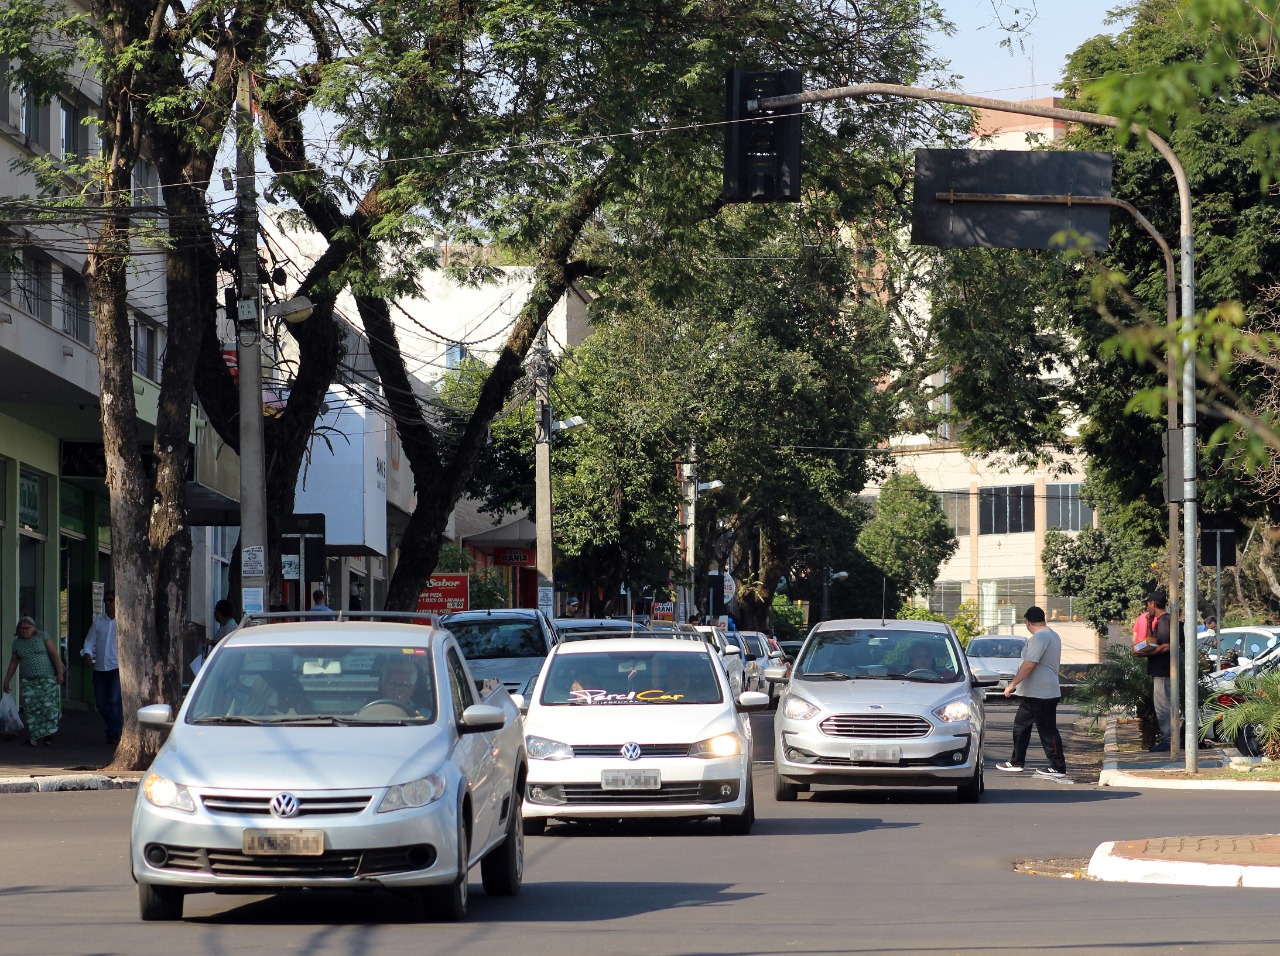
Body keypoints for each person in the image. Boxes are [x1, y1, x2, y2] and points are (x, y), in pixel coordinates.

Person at [995, 606, 1069, 780]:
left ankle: (1058, 766)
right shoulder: (1052, 635)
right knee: (1020, 727)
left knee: (1047, 731)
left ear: (1028, 622)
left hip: (1042, 693)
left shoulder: (1040, 637)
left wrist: (1012, 684)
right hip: (1033, 693)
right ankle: (1016, 762)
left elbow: (1029, 664)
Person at [3, 617, 65, 746]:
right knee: (31, 709)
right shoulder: (17, 643)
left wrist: (59, 673)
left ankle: (48, 735)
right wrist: (7, 680)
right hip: (28, 681)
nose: (24, 631)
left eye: (27, 628)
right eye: (21, 629)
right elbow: (14, 662)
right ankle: (33, 738)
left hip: (46, 678)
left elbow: (54, 654)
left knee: (47, 707)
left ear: (33, 628)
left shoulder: (42, 636)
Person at [82, 591, 122, 744]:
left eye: (111, 600)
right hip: (100, 668)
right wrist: (87, 653)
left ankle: (112, 731)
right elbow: (89, 641)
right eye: (106, 600)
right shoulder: (99, 622)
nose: (108, 603)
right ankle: (116, 725)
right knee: (100, 703)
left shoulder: (124, 622)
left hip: (117, 668)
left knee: (114, 699)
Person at [1137, 590, 1173, 752]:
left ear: (1152, 603)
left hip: (1163, 670)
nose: (1147, 608)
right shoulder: (1158, 621)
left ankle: (1168, 740)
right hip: (1159, 670)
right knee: (1162, 705)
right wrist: (1150, 622)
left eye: (1148, 604)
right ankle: (1168, 739)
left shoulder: (1165, 621)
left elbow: (1166, 646)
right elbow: (1152, 641)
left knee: (1163, 706)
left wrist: (1147, 653)